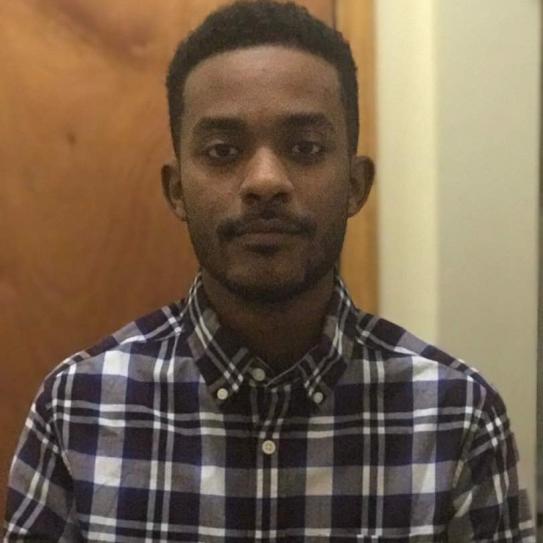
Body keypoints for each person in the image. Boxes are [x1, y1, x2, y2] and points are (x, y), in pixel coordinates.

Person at [4, 1, 535, 541]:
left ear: (355, 185)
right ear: (177, 189)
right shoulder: (77, 410)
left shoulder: (458, 418)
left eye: (305, 147)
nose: (264, 181)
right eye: (223, 151)